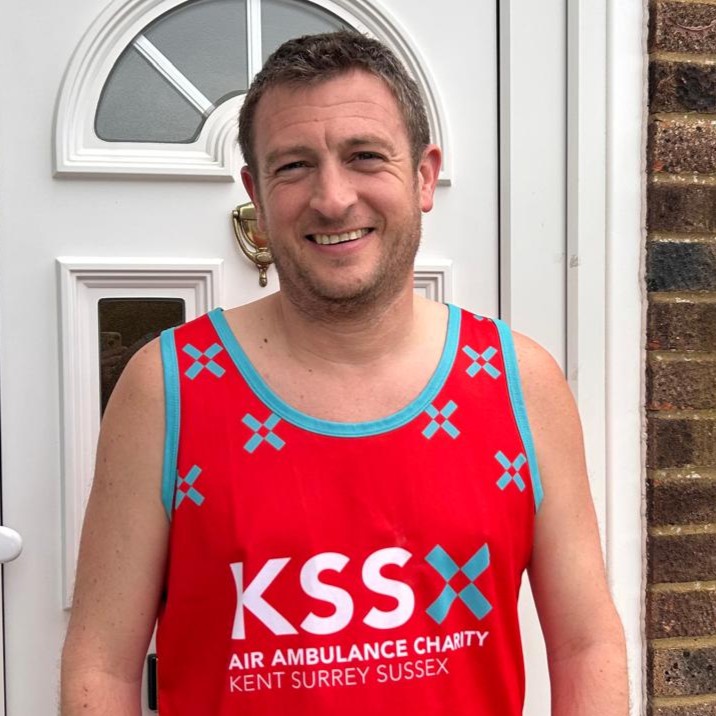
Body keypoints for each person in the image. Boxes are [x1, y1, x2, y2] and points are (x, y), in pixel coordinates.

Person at [61, 31, 628, 715]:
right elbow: (102, 665)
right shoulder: (166, 388)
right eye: (294, 165)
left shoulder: (520, 384)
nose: (332, 198)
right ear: (256, 194)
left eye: (365, 156)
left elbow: (586, 644)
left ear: (424, 176)